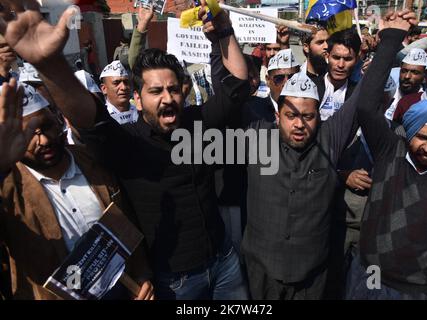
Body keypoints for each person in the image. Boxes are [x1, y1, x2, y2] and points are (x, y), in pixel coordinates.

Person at [0, 1, 250, 300]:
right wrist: (50, 64)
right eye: (155, 91)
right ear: (138, 99)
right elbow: (90, 118)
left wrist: (223, 29)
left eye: (172, 89)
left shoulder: (197, 122)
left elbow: (235, 87)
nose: (167, 99)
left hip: (224, 264)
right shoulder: (128, 144)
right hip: (176, 284)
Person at [241, 10, 417, 300]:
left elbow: (363, 100)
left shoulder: (329, 139)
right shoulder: (256, 140)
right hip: (262, 274)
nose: (299, 124)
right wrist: (221, 35)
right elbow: (228, 94)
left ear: (319, 117)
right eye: (291, 115)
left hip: (312, 277)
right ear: (277, 114)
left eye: (308, 116)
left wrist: (390, 40)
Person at [0, 79, 153, 300]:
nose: (42, 140)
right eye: (28, 135)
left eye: (46, 126)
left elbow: (128, 223)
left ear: (59, 120)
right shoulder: (8, 190)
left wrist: (141, 275)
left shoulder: (93, 159)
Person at [347, 52, 427, 299]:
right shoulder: (390, 151)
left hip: (421, 290)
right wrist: (392, 38)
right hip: (369, 276)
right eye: (421, 137)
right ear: (409, 132)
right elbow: (366, 105)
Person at [318, 28, 361, 120]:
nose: (341, 65)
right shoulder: (311, 87)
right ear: (327, 56)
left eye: (347, 59)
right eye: (336, 58)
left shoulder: (359, 95)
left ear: (356, 60)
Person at [384, 48, 427, 121]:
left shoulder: (424, 103)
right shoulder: (386, 92)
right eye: (404, 71)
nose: (407, 76)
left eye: (415, 72)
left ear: (424, 78)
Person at [99, 60, 139, 125]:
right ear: (104, 89)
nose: (124, 87)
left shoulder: (141, 111)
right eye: (116, 83)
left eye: (126, 82)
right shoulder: (101, 118)